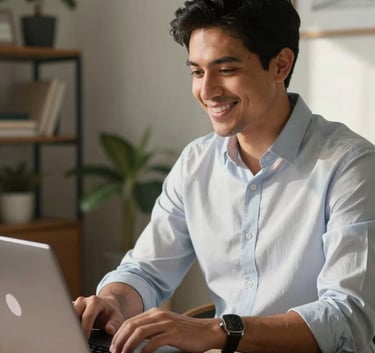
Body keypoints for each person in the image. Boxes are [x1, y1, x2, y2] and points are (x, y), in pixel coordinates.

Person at [73, 1, 375, 352]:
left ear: (280, 65)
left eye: (226, 69)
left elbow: (348, 315)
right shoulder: (196, 163)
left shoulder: (351, 166)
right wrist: (113, 301)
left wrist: (220, 331)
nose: (208, 90)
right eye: (197, 72)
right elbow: (145, 270)